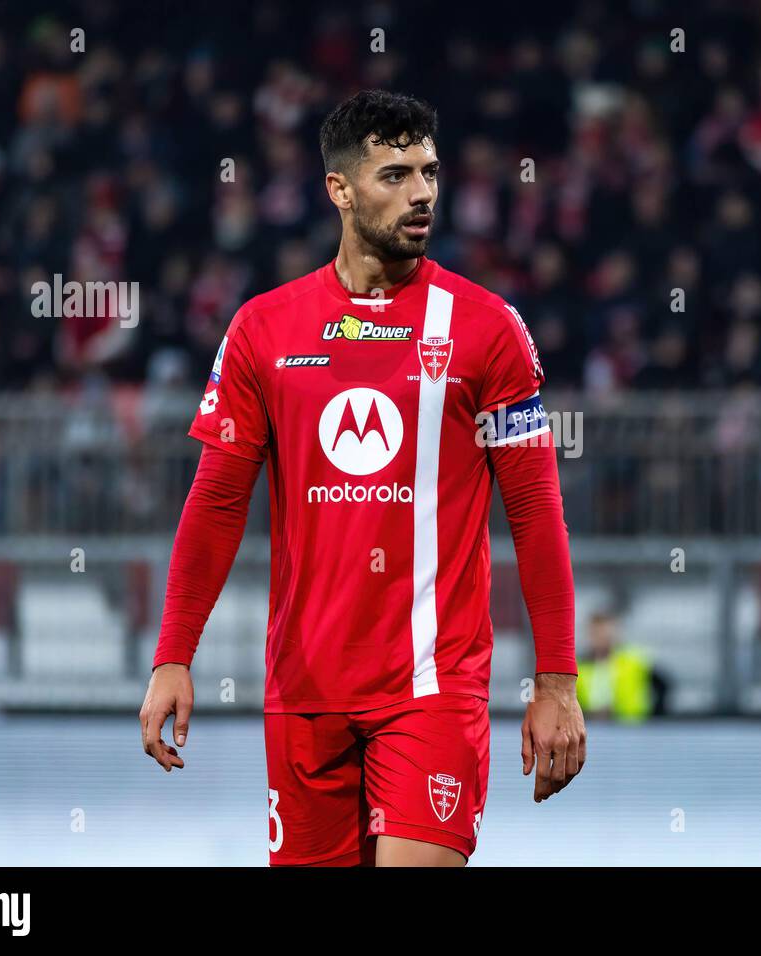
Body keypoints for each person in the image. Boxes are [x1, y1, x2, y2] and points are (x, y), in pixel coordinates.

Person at [139, 90, 585, 866]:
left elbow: (537, 511)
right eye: (395, 175)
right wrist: (174, 654)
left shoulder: (485, 329)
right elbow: (215, 502)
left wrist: (556, 681)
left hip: (432, 688)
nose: (421, 194)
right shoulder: (263, 329)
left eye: (430, 172)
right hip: (304, 688)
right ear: (339, 191)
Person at [576, 610, 668, 722]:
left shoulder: (635, 661)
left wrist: (654, 717)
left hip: (631, 726)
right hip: (592, 725)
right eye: (596, 633)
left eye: (605, 633)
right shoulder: (579, 666)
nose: (601, 638)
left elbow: (663, 686)